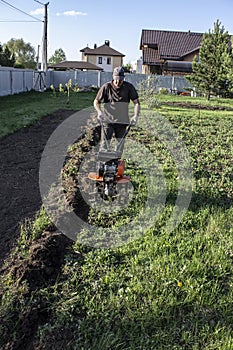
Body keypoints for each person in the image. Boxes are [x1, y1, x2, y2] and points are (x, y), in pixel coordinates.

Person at [93, 66, 140, 156]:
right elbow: (96, 102)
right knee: (104, 146)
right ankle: (103, 164)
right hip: (108, 120)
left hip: (122, 121)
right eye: (116, 79)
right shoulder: (106, 87)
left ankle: (116, 166)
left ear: (123, 78)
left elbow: (136, 103)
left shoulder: (128, 87)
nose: (118, 82)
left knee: (119, 147)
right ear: (113, 77)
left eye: (120, 80)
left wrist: (136, 115)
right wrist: (99, 112)